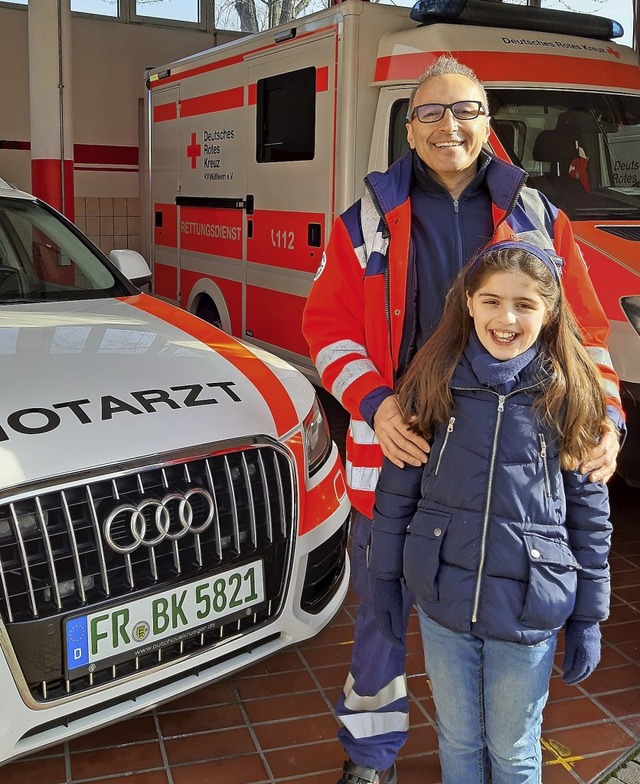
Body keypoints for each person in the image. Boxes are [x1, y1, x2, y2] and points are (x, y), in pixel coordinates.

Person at [302, 55, 623, 784]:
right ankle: (370, 757)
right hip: (402, 446)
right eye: (432, 113)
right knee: (382, 622)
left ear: (488, 122)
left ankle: (487, 755)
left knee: (491, 617)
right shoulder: (363, 224)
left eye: (466, 110)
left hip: (511, 462)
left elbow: (586, 333)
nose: (450, 125)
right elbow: (327, 329)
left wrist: (606, 418)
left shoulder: (540, 217)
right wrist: (376, 407)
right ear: (408, 129)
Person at [367, 240, 612, 784]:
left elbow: (590, 520)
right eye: (491, 301)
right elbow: (396, 496)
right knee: (457, 739)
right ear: (468, 304)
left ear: (549, 313)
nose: (506, 318)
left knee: (513, 748)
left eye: (525, 304)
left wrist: (589, 617)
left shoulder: (570, 394)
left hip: (527, 608)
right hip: (443, 603)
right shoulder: (433, 383)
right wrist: (385, 578)